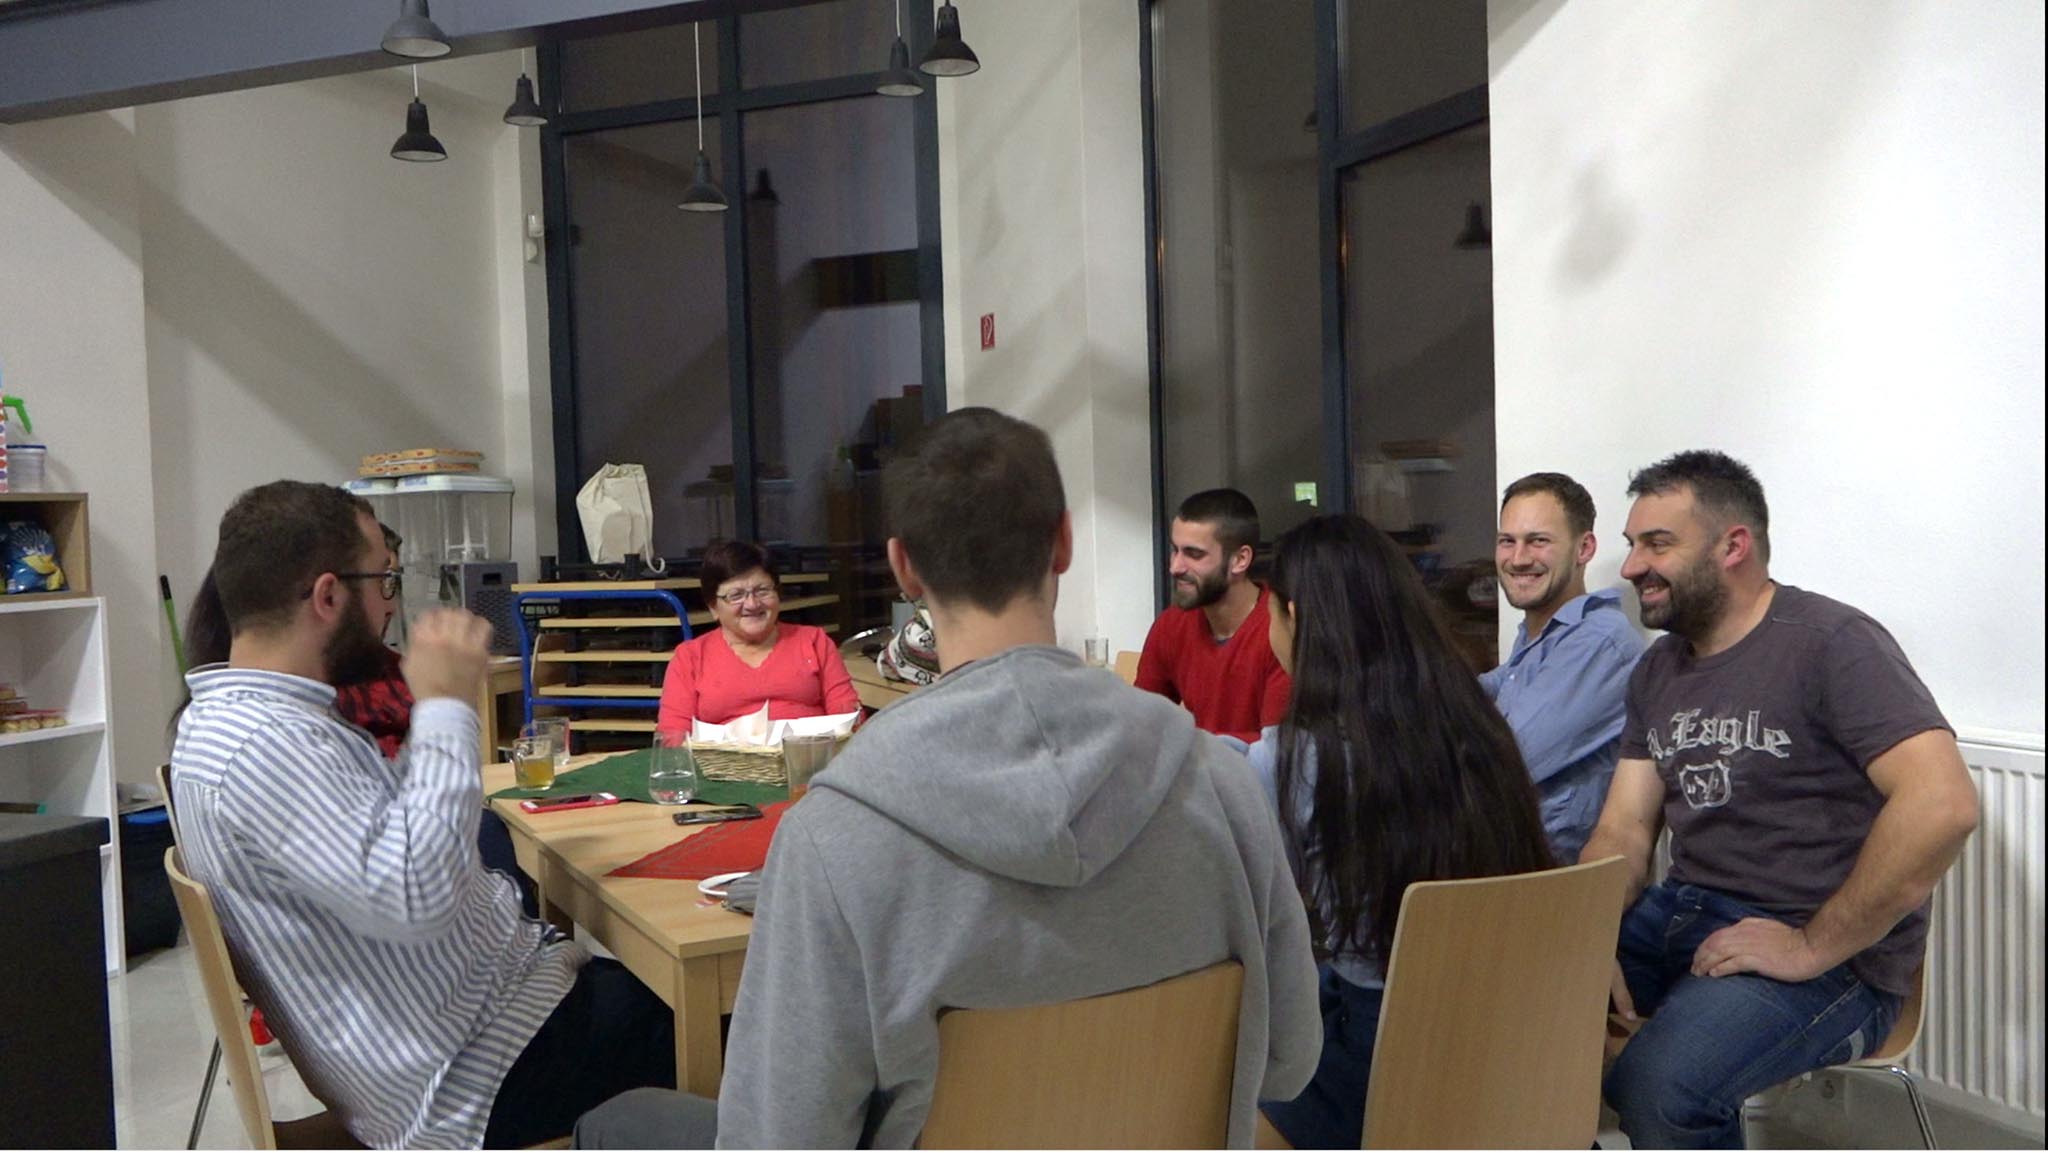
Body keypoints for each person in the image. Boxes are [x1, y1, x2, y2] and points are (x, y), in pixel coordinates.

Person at [577, 408, 1321, 1149]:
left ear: (904, 566)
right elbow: (1288, 1058)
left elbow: (778, 1138)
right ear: (1063, 543)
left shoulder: (833, 836)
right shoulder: (1222, 785)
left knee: (618, 1123)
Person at [169, 481, 677, 1149]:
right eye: (384, 579)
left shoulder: (255, 720)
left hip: (492, 1027)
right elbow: (418, 895)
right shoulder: (262, 744)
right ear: (328, 596)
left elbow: (395, 846)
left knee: (680, 980)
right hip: (484, 1078)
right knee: (745, 1015)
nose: (391, 602)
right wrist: (445, 706)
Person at [1586, 451, 1979, 1149]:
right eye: (1632, 544)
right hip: (1681, 917)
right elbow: (1624, 827)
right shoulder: (1657, 669)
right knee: (1515, 1009)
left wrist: (1807, 946)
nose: (1632, 566)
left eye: (1657, 544)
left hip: (1829, 954)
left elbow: (1943, 804)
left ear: (1733, 545)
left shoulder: (1833, 643)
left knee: (1660, 1086)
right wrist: (1582, 932)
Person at [1242, 515, 1554, 1148]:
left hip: (1382, 1049)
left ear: (1294, 618)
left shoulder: (1293, 759)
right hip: (1511, 1035)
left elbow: (1257, 918)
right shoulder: (1480, 726)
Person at [1479, 472, 1645, 863]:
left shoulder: (1600, 642)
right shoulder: (1537, 641)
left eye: (1538, 541)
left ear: (1584, 548)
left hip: (1546, 887)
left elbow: (1502, 764)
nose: (1519, 559)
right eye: (1507, 541)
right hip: (1499, 868)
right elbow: (1466, 697)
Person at [655, 539, 860, 736]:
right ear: (713, 607)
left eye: (762, 591)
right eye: (736, 595)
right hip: (723, 760)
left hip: (809, 757)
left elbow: (848, 719)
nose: (752, 604)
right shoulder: (690, 658)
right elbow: (673, 736)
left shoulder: (815, 642)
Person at [1134, 489, 1292, 742]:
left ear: (1240, 560)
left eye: (1194, 554)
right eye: (1175, 550)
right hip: (1199, 764)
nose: (1175, 567)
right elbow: (1143, 723)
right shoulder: (1172, 624)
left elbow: (1276, 748)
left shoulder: (1282, 629)